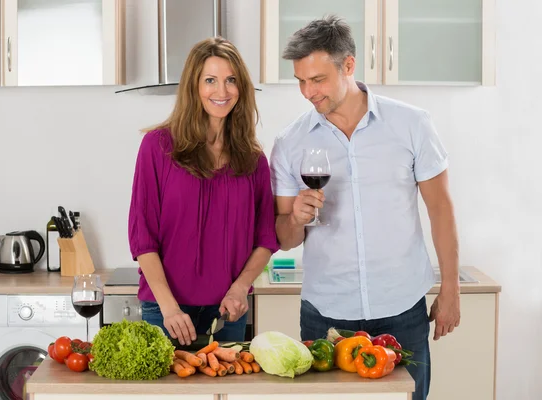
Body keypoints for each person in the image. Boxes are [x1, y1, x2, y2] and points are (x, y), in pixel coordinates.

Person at [270, 16, 459, 400]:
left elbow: (440, 209)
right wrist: (295, 218)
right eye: (301, 81)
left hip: (402, 308)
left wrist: (451, 289)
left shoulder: (411, 124)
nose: (308, 92)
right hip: (325, 314)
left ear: (349, 66)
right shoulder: (290, 142)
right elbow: (285, 239)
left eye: (318, 79)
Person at [128, 37, 278, 346]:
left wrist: (240, 288)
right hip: (165, 311)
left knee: (220, 396)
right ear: (193, 86)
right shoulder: (157, 147)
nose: (222, 92)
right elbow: (142, 238)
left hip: (226, 313)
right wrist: (169, 309)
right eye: (210, 80)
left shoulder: (253, 159)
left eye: (231, 80)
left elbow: (265, 239)